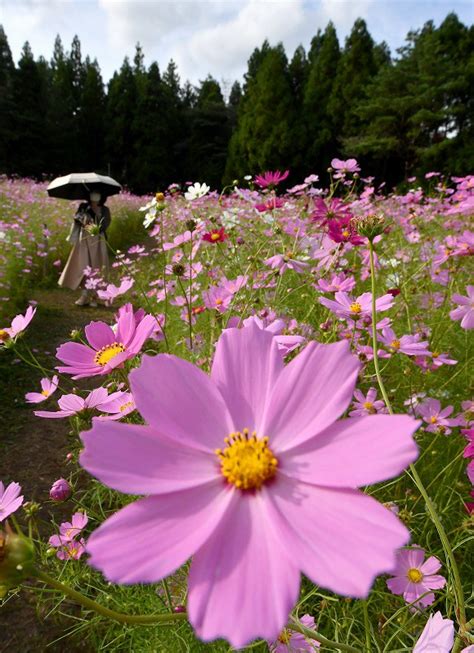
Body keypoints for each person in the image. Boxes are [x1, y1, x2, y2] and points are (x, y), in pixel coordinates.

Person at [58, 191, 111, 306]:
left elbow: (105, 225)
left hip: (98, 241)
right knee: (84, 266)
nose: (94, 196)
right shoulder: (83, 206)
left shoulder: (105, 210)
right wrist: (81, 217)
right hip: (84, 240)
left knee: (97, 266)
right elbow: (76, 219)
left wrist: (95, 217)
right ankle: (84, 294)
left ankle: (95, 296)